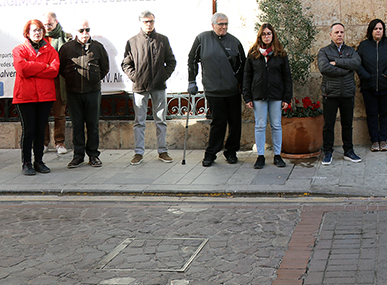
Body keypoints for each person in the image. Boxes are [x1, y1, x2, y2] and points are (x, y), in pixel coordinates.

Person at [188, 12, 246, 167]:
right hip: (213, 91)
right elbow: (192, 60)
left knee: (235, 122)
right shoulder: (202, 39)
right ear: (213, 24)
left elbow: (242, 64)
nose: (224, 27)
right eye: (221, 24)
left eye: (226, 23)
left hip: (232, 91)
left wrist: (238, 82)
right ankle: (211, 154)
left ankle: (231, 152)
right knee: (218, 122)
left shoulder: (234, 42)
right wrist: (191, 81)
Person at [122, 10, 178, 165]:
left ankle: (163, 151)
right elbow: (126, 64)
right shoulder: (132, 41)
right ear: (140, 22)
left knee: (160, 120)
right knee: (139, 121)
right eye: (146, 21)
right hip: (140, 87)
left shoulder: (162, 40)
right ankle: (138, 153)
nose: (149, 24)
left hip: (159, 86)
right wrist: (136, 77)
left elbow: (171, 61)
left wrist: (163, 75)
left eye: (151, 21)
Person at [59, 19, 110, 168]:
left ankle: (93, 155)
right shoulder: (66, 48)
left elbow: (105, 68)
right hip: (73, 93)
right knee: (77, 125)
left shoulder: (98, 47)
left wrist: (92, 80)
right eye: (81, 30)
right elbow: (61, 69)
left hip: (92, 92)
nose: (85, 33)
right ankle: (78, 156)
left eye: (87, 30)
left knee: (93, 125)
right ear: (75, 31)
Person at [13, 19, 59, 176]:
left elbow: (53, 71)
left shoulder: (51, 51)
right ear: (28, 33)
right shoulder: (19, 50)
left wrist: (31, 66)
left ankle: (38, 161)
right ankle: (26, 163)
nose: (37, 33)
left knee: (41, 130)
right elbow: (22, 69)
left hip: (45, 96)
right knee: (29, 130)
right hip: (25, 96)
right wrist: (42, 66)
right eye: (34, 30)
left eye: (40, 30)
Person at [243, 23, 292, 168]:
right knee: (260, 125)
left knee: (276, 125)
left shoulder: (280, 54)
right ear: (260, 36)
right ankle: (260, 156)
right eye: (264, 34)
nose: (266, 36)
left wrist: (286, 98)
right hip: (258, 95)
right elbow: (247, 76)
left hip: (276, 95)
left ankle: (277, 155)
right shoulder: (253, 54)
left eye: (269, 33)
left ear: (273, 35)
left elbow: (287, 77)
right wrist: (247, 96)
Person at [318, 23, 363, 165]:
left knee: (347, 124)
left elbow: (356, 63)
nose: (339, 35)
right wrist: (346, 70)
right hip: (330, 94)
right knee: (328, 125)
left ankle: (348, 151)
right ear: (331, 35)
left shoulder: (351, 51)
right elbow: (324, 68)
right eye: (336, 32)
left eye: (342, 32)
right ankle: (328, 152)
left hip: (348, 93)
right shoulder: (324, 51)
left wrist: (336, 62)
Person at [356, 19, 387, 152]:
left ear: (383, 31)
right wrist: (365, 76)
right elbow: (357, 63)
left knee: (385, 114)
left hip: (386, 86)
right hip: (368, 87)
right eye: (375, 29)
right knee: (371, 114)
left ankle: (383, 140)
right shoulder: (364, 46)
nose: (378, 31)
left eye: (380, 29)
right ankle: (374, 141)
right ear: (371, 31)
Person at [42, 11, 71, 155]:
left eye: (50, 24)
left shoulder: (65, 37)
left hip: (59, 80)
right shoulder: (38, 37)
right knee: (43, 113)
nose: (47, 27)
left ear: (56, 22)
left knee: (59, 112)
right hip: (43, 80)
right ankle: (44, 142)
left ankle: (59, 142)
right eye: (45, 24)